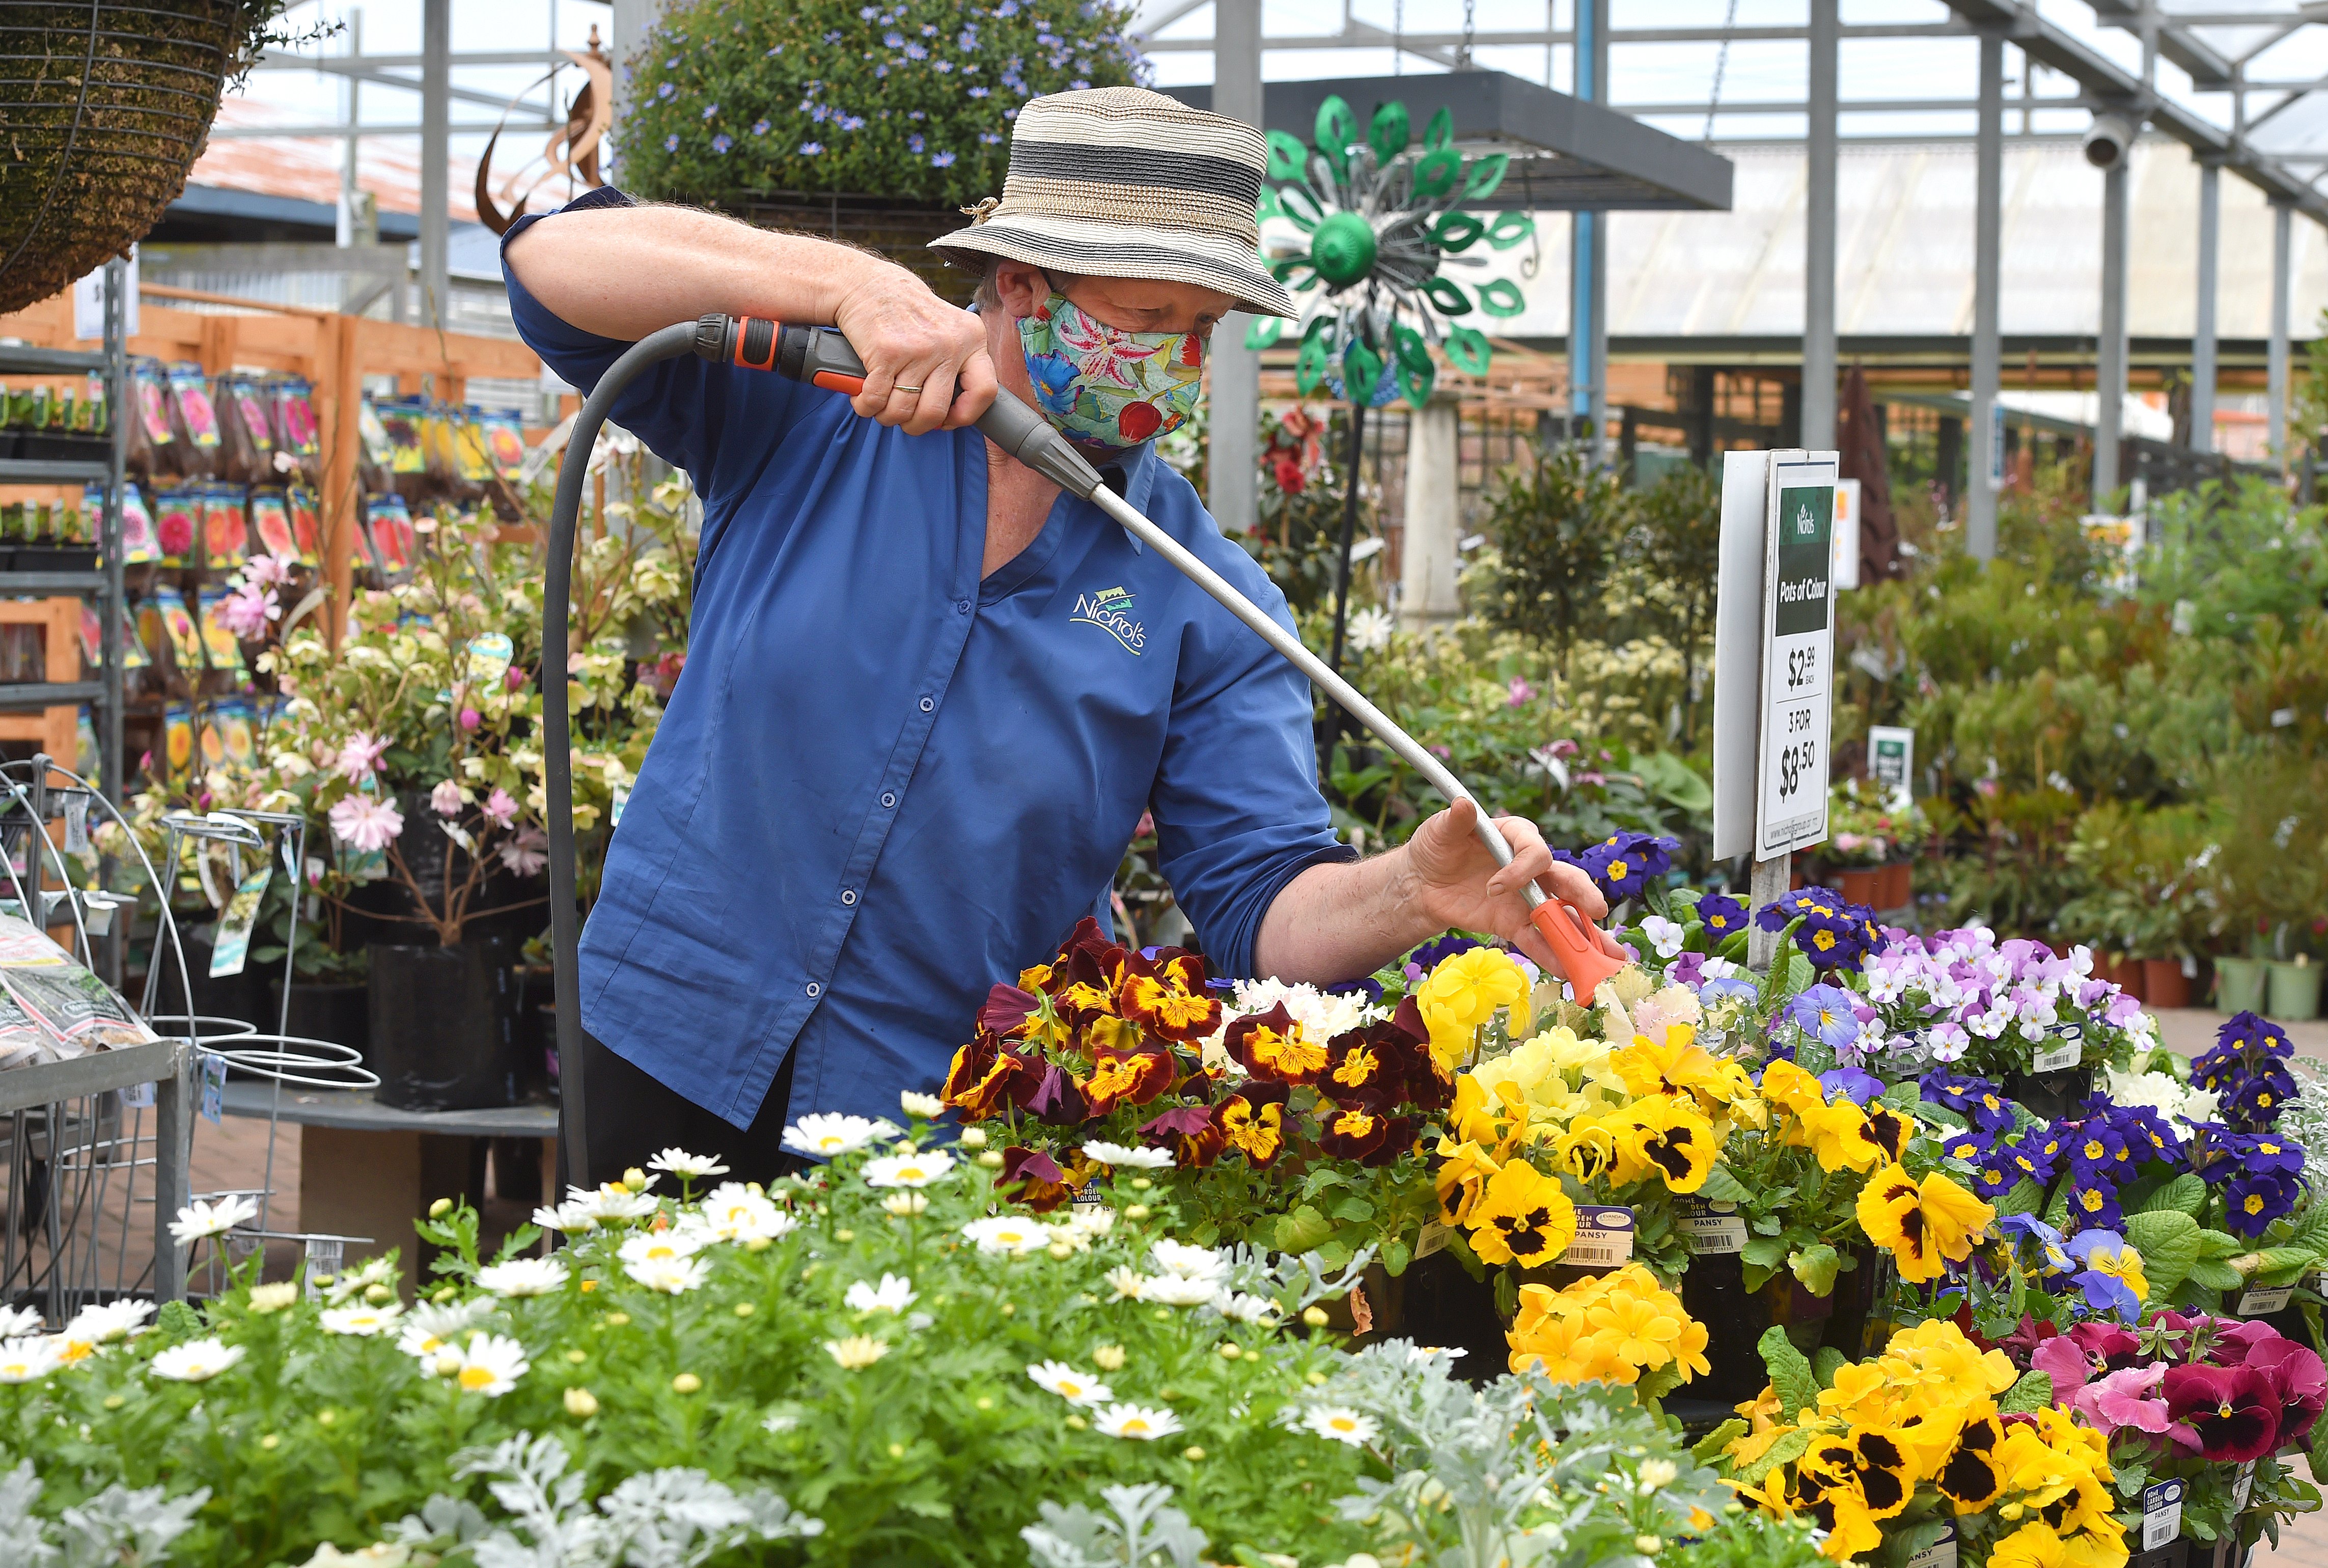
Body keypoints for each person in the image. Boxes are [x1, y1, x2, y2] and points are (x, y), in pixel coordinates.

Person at [503, 87, 1620, 1185]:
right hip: (669, 1036)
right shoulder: (819, 415)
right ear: (1023, 285)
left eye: (1204, 330)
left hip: (932, 1115)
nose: (1179, 365)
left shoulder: (1201, 594)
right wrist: (857, 285)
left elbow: (1257, 902)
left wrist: (1412, 892)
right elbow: (552, 267)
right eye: (1149, 321)